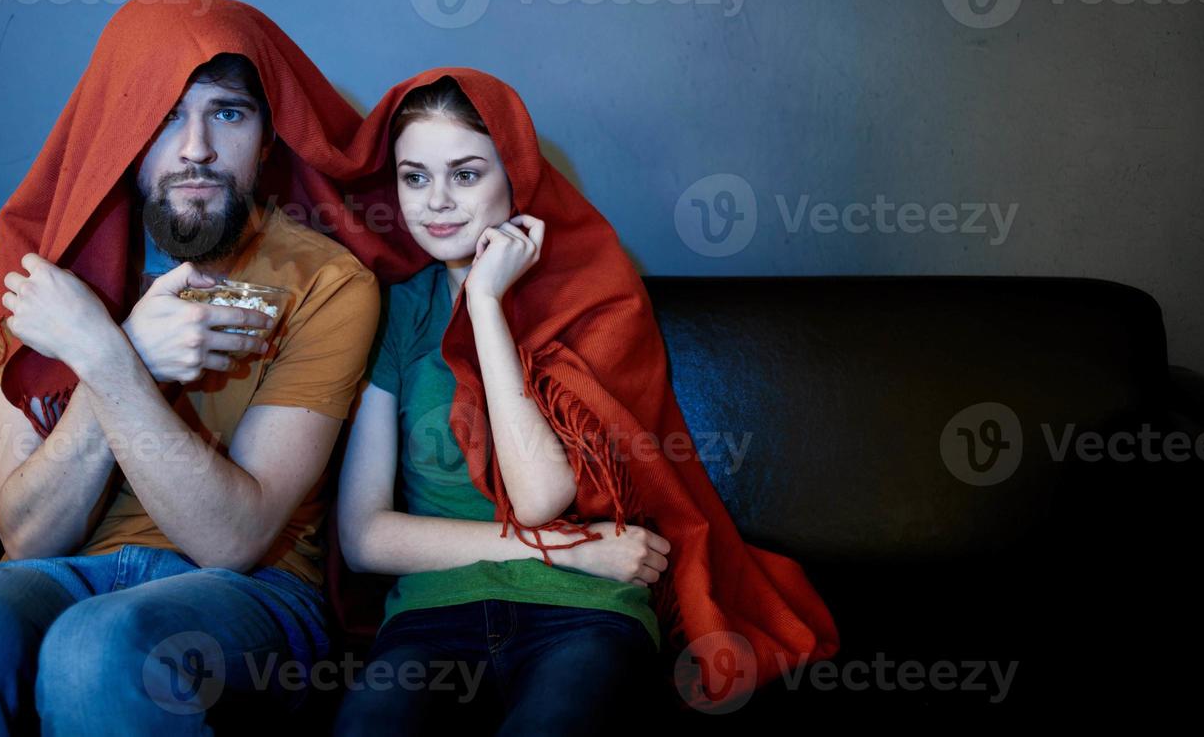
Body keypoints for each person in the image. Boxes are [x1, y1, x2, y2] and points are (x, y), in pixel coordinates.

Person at [0, 0, 391, 734]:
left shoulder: (326, 283)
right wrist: (130, 349)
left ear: (266, 140)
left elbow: (232, 540)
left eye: (227, 113)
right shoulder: (42, 279)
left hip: (250, 592)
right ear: (120, 133)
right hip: (60, 573)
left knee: (99, 648)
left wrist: (106, 355)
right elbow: (28, 537)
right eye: (165, 114)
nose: (195, 146)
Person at [326, 70, 841, 732]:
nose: (437, 203)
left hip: (581, 612)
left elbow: (539, 496)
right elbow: (364, 536)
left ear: (513, 176)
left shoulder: (592, 298)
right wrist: (563, 550)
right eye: (414, 177)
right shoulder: (396, 310)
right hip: (433, 615)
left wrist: (483, 305)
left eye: (465, 173)